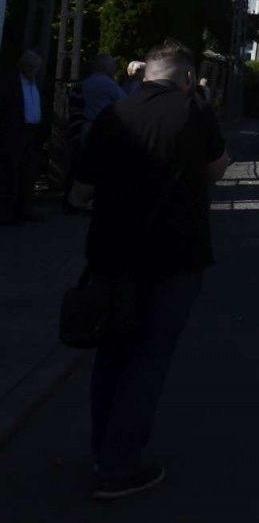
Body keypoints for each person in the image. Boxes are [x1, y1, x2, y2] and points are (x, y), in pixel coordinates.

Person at [75, 40, 231, 499]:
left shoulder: (112, 115)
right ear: (186, 76)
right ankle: (120, 469)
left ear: (145, 74)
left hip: (109, 257)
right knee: (148, 359)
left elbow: (81, 190)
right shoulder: (193, 111)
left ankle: (103, 450)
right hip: (173, 257)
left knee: (110, 356)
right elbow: (217, 168)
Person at [66, 54, 126, 214]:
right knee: (98, 164)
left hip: (84, 126)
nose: (115, 67)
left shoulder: (86, 82)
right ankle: (85, 200)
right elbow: (125, 102)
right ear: (105, 67)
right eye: (113, 64)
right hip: (98, 127)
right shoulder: (107, 84)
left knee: (81, 163)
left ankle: (74, 198)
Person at [0, 49, 47, 225]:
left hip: (31, 131)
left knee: (27, 172)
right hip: (13, 132)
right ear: (24, 66)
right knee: (9, 172)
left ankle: (23, 207)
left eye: (36, 67)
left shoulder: (34, 82)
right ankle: (5, 210)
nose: (35, 70)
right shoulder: (10, 82)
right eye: (32, 66)